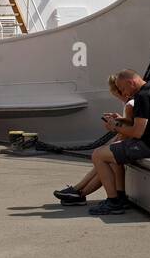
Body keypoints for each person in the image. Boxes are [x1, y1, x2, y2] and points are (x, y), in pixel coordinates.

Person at [87, 68, 150, 215]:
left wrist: (115, 126)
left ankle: (113, 202)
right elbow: (147, 122)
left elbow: (137, 132)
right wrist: (122, 120)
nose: (125, 94)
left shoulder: (142, 97)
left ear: (131, 82)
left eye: (123, 88)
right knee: (114, 155)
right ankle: (121, 197)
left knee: (98, 155)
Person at [52, 75, 132, 206]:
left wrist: (116, 128)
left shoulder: (130, 104)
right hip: (129, 142)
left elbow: (130, 130)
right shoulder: (129, 103)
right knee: (103, 161)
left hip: (133, 145)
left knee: (104, 161)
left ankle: (78, 191)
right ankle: (77, 192)